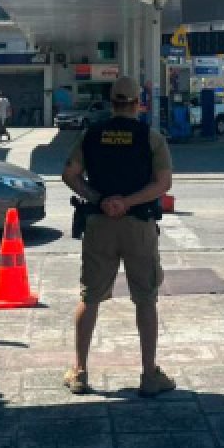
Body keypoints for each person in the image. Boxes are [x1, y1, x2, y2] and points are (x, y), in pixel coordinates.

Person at [61, 75, 175, 398]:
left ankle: (80, 371)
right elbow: (163, 183)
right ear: (138, 103)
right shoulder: (151, 138)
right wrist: (127, 202)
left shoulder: (92, 134)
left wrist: (99, 199)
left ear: (112, 103)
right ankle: (149, 375)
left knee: (90, 296)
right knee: (145, 299)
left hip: (99, 223)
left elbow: (70, 174)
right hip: (138, 224)